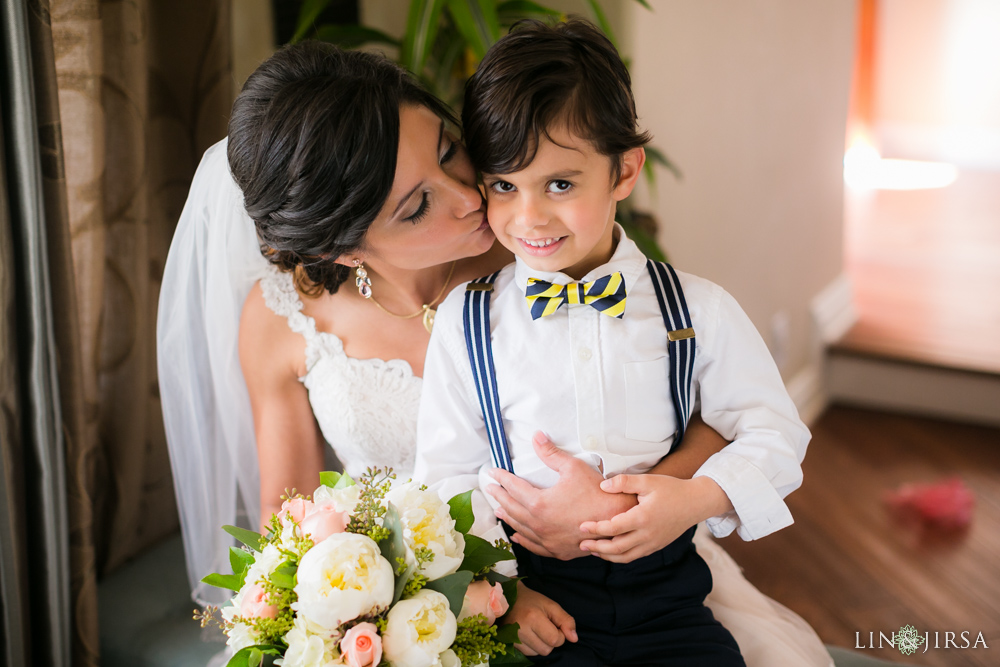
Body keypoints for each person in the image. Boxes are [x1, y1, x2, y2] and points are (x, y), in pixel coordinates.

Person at [157, 40, 833, 666]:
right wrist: (465, 593)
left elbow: (701, 402)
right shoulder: (288, 316)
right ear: (344, 248)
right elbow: (301, 521)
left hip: (651, 557)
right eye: (417, 205)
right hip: (456, 591)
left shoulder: (549, 239)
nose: (473, 198)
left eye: (451, 150)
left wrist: (616, 507)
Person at [412, 19, 810, 666]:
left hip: (669, 596)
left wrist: (693, 498)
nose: (530, 216)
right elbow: (447, 478)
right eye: (504, 185)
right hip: (541, 600)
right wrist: (505, 595)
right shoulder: (468, 319)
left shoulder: (698, 309)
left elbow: (776, 432)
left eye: (561, 184)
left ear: (624, 172)